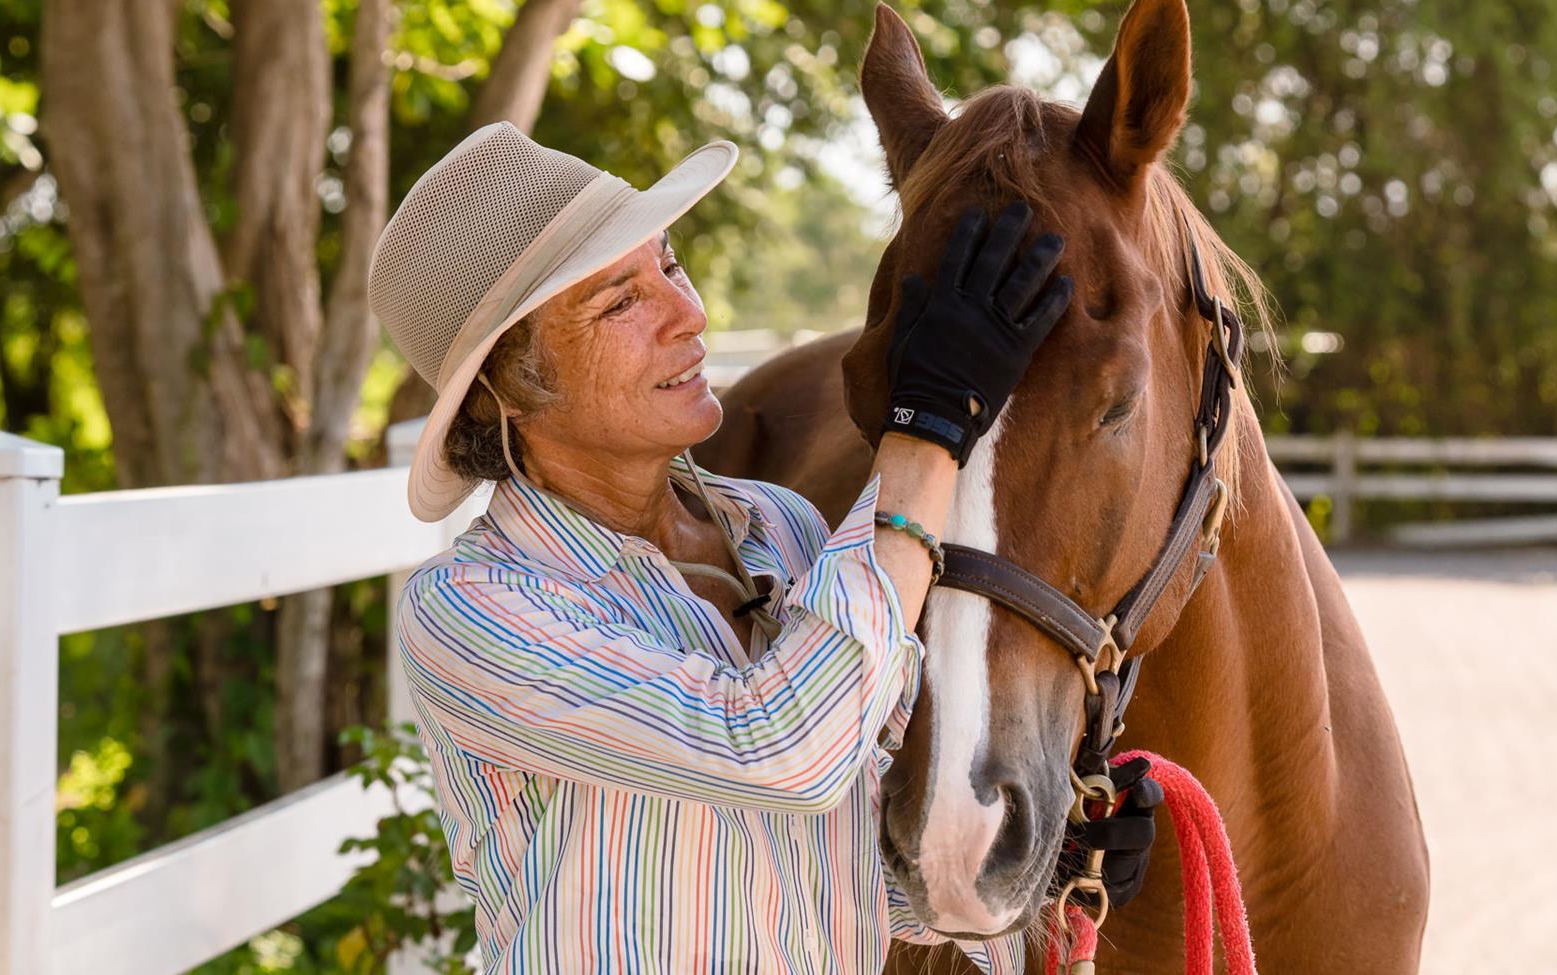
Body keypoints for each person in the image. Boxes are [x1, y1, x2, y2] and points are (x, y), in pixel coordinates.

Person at [368, 121, 1071, 973]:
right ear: (509, 388)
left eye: (668, 264)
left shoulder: (781, 529)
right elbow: (777, 750)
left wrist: (1046, 876)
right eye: (620, 300)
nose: (688, 313)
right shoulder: (474, 608)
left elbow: (842, 861)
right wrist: (924, 436)